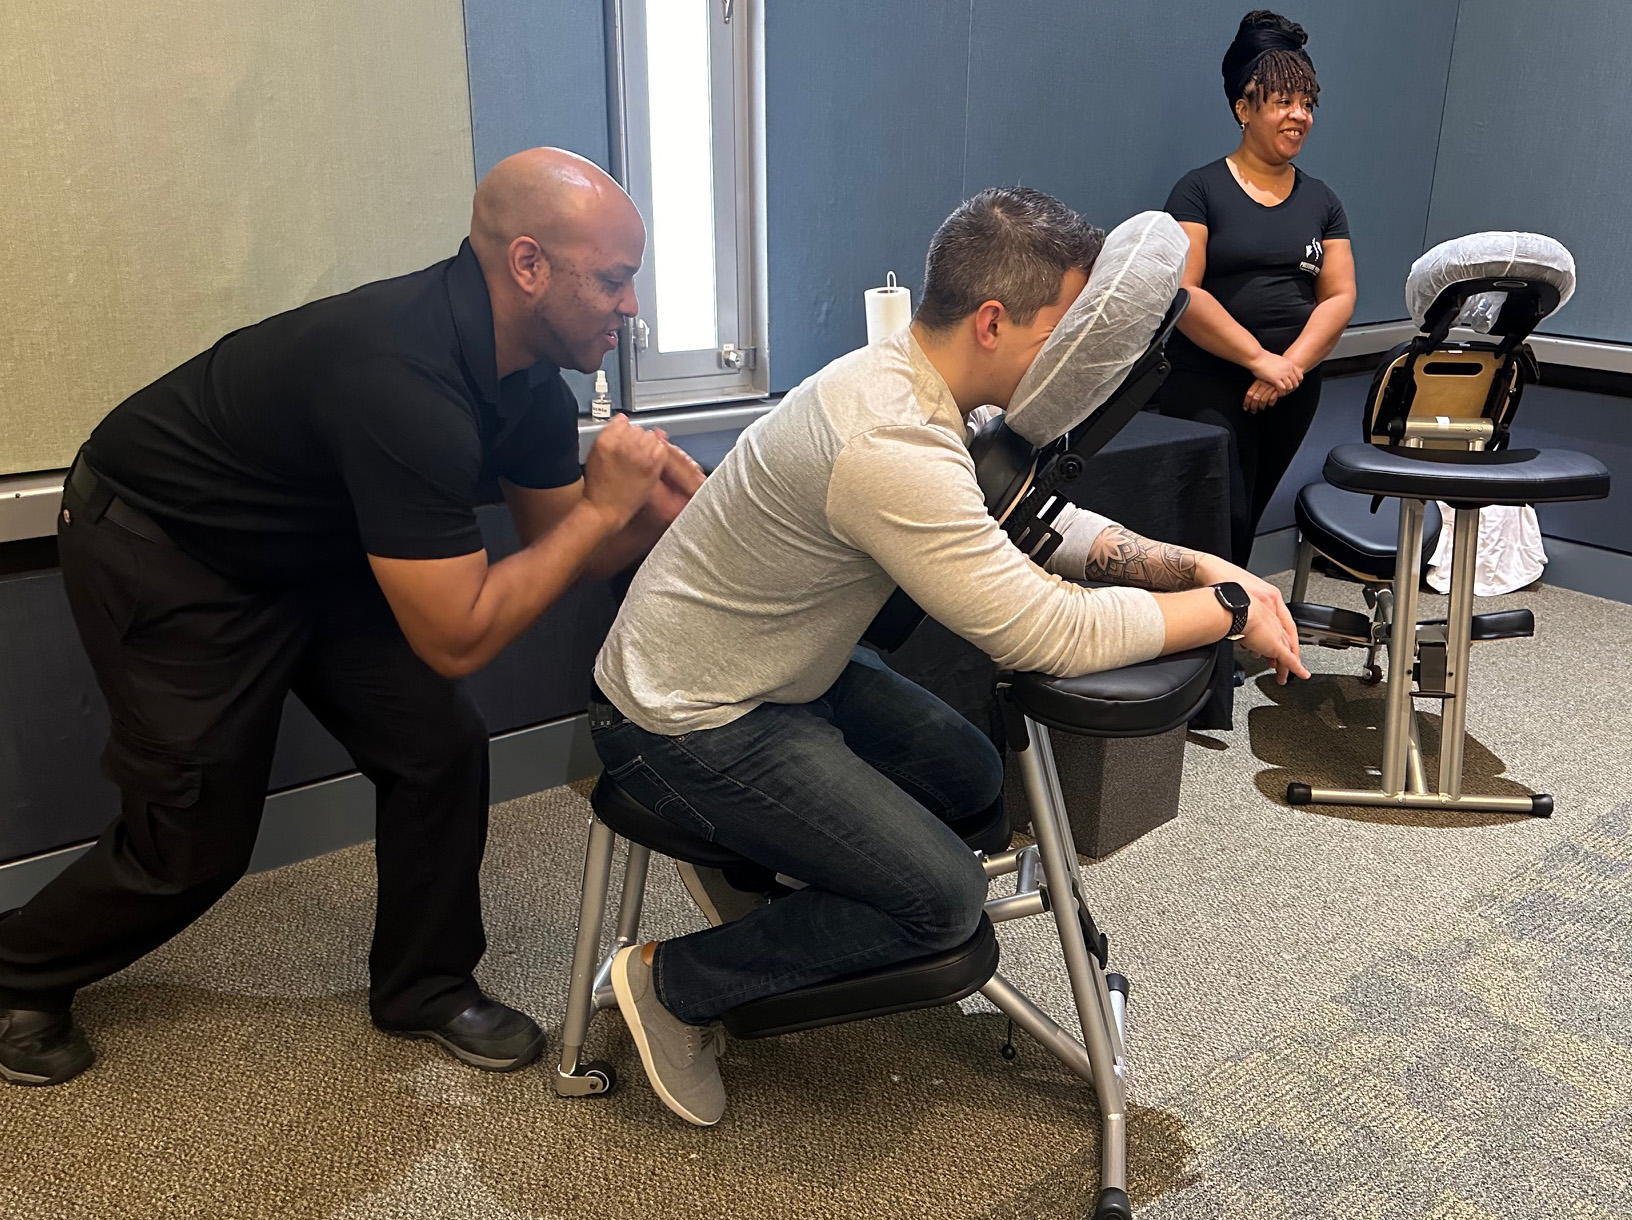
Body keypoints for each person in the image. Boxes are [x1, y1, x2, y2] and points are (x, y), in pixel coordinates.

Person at [586, 188, 1309, 1128]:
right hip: (682, 718)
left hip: (784, 671)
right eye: (1065, 327)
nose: (1075, 354)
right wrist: (1219, 612)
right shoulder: (886, 437)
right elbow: (1045, 630)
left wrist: (1208, 567)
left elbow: (1040, 526)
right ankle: (671, 982)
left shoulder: (940, 396)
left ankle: (807, 890)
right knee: (940, 902)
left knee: (972, 783)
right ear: (995, 321)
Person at [0, 148, 705, 1087]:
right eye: (614, 280)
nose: (630, 306)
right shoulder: (402, 380)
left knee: (436, 749)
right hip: (167, 546)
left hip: (312, 548)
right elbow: (459, 635)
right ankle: (17, 971)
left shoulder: (534, 381)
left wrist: (657, 522)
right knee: (195, 838)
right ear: (528, 265)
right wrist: (604, 512)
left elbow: (556, 549)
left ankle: (423, 986)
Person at [1155, 9, 1356, 576]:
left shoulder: (1323, 200)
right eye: (1283, 102)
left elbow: (1339, 296)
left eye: (1308, 103)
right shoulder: (1198, 190)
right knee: (1220, 516)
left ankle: (1233, 631)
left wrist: (1287, 367)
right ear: (1244, 109)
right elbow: (1185, 290)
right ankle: (1204, 646)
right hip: (1208, 380)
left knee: (1252, 510)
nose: (1300, 116)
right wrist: (1258, 360)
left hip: (1293, 384)